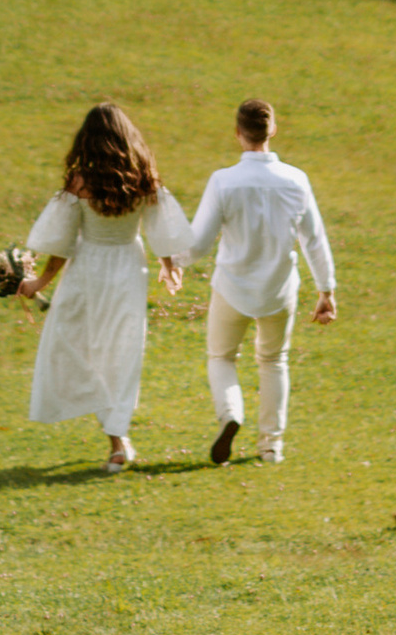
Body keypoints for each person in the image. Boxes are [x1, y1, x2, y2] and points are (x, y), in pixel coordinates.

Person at [20, 104, 190, 471]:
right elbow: (161, 229)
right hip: (129, 267)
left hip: (88, 269)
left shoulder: (80, 182)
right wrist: (168, 266)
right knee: (120, 351)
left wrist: (38, 282)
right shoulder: (143, 176)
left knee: (70, 345)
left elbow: (61, 245)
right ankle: (117, 434)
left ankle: (116, 438)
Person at [186, 99, 336, 465]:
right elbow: (314, 239)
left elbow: (198, 243)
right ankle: (270, 446)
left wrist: (173, 260)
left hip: (232, 287)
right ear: (273, 131)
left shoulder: (224, 181)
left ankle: (231, 413)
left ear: (237, 134)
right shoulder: (296, 180)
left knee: (221, 356)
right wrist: (326, 291)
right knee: (273, 361)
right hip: (278, 288)